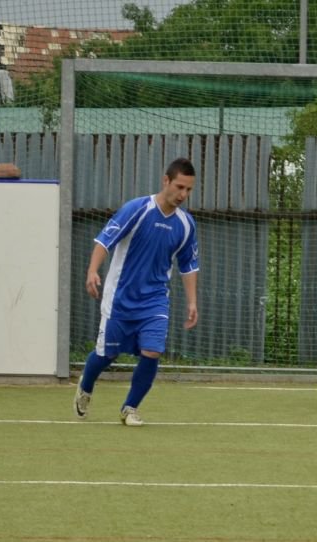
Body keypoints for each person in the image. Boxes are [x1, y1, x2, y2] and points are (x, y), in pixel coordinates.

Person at [73, 157, 199, 427]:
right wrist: (92, 271)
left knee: (152, 351)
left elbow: (189, 264)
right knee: (106, 356)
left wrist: (192, 302)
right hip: (120, 298)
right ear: (165, 181)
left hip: (155, 301)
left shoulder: (186, 224)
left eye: (188, 190)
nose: (183, 194)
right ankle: (86, 385)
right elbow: (104, 241)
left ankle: (130, 407)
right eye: (179, 187)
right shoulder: (137, 209)